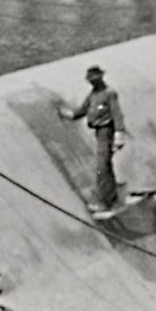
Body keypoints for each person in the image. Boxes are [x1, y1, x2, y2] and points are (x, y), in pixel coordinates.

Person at [59, 66, 127, 212]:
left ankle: (107, 202)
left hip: (106, 131)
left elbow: (117, 114)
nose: (93, 82)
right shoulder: (93, 95)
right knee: (105, 166)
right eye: (91, 80)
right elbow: (81, 111)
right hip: (99, 133)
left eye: (95, 79)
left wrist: (119, 134)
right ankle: (112, 197)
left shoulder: (109, 94)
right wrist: (65, 113)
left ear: (101, 78)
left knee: (102, 167)